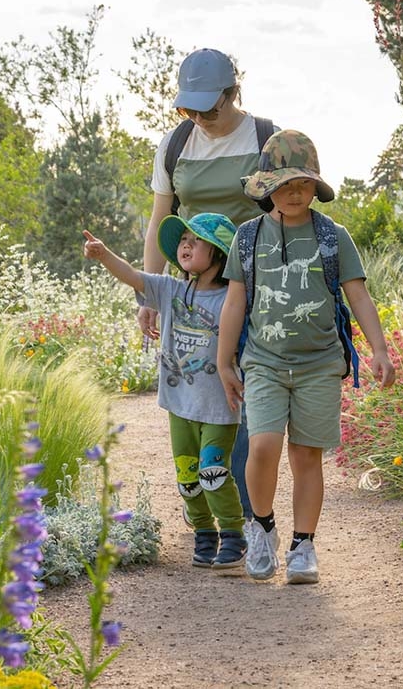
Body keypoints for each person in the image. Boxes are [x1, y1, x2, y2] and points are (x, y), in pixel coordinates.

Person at [216, 129, 396, 584]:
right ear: (267, 188)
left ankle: (303, 546)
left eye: (302, 184)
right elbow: (235, 303)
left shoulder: (332, 237)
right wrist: (224, 363)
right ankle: (261, 527)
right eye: (284, 184)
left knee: (306, 456)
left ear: (315, 186)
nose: (294, 193)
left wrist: (378, 350)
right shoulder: (247, 238)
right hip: (263, 362)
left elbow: (358, 295)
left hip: (319, 364)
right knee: (262, 446)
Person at [142, 46, 278, 526]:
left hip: (257, 287)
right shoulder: (177, 144)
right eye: (188, 108)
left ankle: (241, 507)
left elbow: (289, 215)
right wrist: (150, 293)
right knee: (200, 389)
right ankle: (208, 502)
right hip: (196, 290)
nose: (199, 117)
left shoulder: (266, 138)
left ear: (233, 93)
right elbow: (162, 217)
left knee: (240, 391)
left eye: (210, 107)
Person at [84, 213, 248, 569]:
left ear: (219, 254)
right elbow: (133, 276)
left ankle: (234, 533)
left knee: (213, 472)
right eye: (184, 239)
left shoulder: (231, 300)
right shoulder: (171, 290)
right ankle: (204, 532)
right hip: (180, 405)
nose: (186, 245)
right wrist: (104, 254)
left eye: (196, 240)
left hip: (219, 406)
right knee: (188, 477)